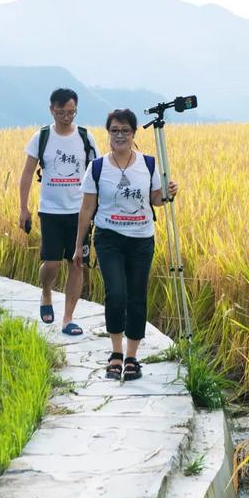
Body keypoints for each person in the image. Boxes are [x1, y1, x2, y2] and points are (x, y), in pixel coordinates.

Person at [74, 108, 177, 381]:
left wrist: (166, 193)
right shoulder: (97, 167)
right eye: (115, 131)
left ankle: (132, 357)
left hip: (142, 239)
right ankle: (116, 353)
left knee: (136, 296)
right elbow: (86, 209)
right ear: (108, 133)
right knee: (116, 293)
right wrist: (78, 245)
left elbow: (154, 199)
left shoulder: (149, 164)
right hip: (109, 238)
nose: (120, 135)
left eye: (125, 131)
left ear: (133, 134)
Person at [19, 88, 98, 335]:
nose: (67, 116)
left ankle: (68, 318)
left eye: (72, 111)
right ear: (52, 110)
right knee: (51, 264)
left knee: (77, 264)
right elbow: (27, 174)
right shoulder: (41, 137)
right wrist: (24, 209)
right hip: (51, 211)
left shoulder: (86, 138)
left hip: (80, 213)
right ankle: (46, 292)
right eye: (62, 112)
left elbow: (98, 173)